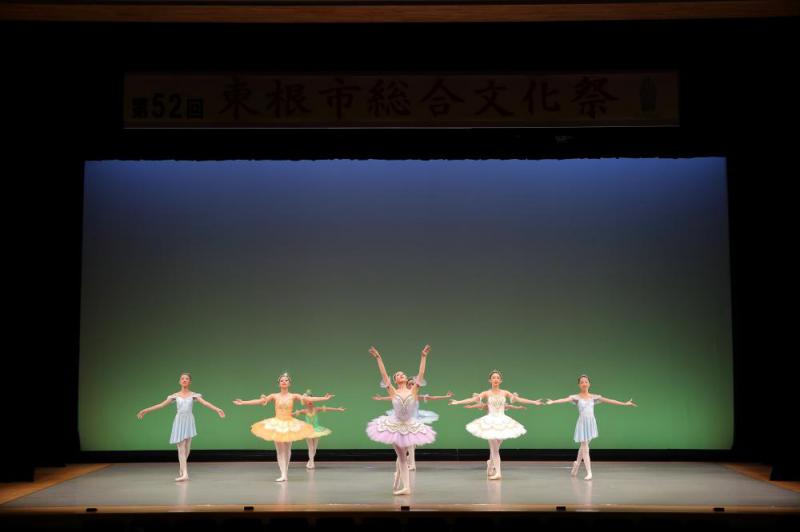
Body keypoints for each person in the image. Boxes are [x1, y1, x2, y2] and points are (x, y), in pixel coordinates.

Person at [233, 373, 333, 481]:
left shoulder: (293, 396)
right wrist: (243, 402)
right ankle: (283, 474)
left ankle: (285, 472)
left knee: (287, 450)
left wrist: (324, 398)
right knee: (280, 450)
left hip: (290, 424)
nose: (284, 382)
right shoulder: (274, 396)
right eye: (282, 380)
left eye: (286, 380)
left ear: (289, 383)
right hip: (277, 424)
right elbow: (260, 401)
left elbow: (308, 399)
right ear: (279, 384)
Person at [366, 345, 435, 495]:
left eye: (403, 374)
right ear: (396, 380)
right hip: (395, 425)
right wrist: (378, 358)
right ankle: (405, 486)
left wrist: (423, 357)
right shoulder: (392, 391)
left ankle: (401, 481)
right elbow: (384, 375)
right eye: (398, 375)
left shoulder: (413, 390)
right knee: (402, 457)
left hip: (409, 425)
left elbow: (421, 374)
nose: (401, 375)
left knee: (404, 457)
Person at [450, 370, 542, 479]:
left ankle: (490, 465)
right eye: (493, 377)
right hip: (490, 422)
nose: (496, 379)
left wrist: (534, 402)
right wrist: (458, 402)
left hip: (503, 421)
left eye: (498, 377)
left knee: (496, 447)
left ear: (501, 380)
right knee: (494, 449)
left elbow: (518, 399)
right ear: (490, 380)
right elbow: (473, 399)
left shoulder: (505, 393)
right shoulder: (486, 393)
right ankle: (498, 473)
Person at [137, 372, 225, 481]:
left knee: (187, 448)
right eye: (182, 378)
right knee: (181, 448)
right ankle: (185, 474)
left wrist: (217, 409)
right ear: (179, 381)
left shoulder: (194, 395)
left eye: (186, 379)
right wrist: (146, 410)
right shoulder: (175, 396)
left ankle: (182, 468)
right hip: (179, 421)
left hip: (189, 420)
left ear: (190, 382)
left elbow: (205, 403)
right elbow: (161, 405)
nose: (184, 380)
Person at [546, 374, 637, 480]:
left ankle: (576, 464)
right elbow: (564, 399)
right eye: (582, 382)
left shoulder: (594, 397)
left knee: (583, 446)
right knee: (585, 447)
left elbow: (610, 400)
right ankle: (589, 472)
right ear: (579, 385)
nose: (584, 384)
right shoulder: (576, 397)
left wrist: (624, 404)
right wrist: (553, 401)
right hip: (582, 423)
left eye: (586, 382)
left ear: (589, 384)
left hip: (591, 423)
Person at [292, 392, 345, 469]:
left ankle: (310, 461)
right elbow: (293, 414)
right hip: (308, 430)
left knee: (314, 448)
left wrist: (338, 409)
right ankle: (312, 463)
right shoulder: (304, 411)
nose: (310, 402)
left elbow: (328, 409)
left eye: (311, 400)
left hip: (316, 430)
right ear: (305, 402)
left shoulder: (316, 409)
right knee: (310, 447)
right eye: (308, 400)